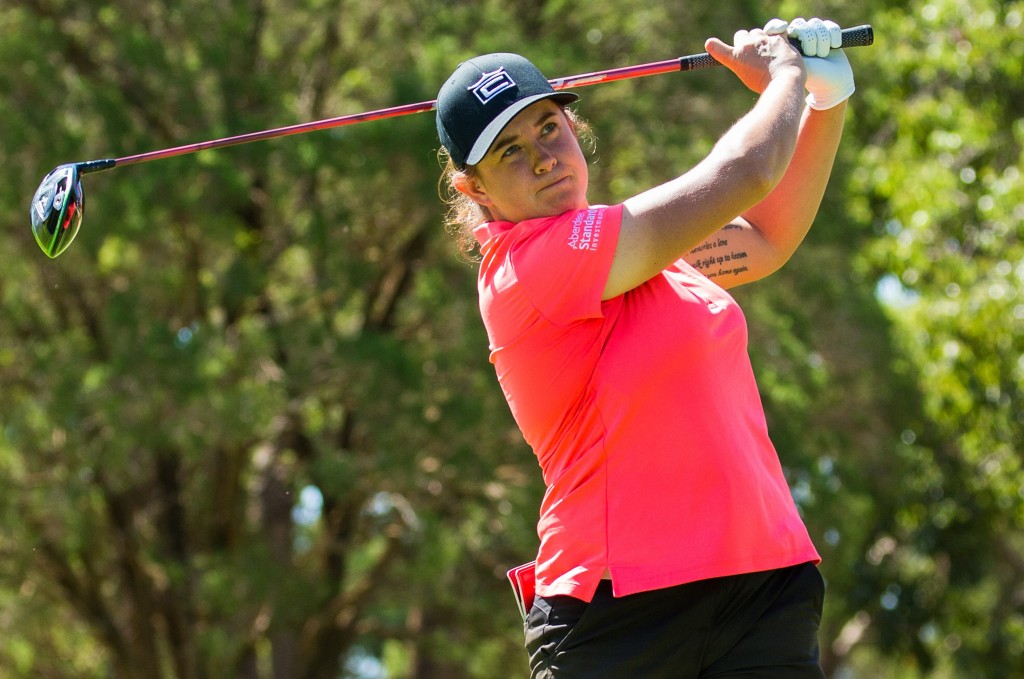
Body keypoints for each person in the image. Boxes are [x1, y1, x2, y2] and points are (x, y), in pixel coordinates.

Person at [434, 17, 854, 679]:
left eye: (549, 127)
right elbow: (744, 171)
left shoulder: (644, 251)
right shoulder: (526, 268)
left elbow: (767, 237)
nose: (542, 157)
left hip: (762, 586)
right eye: (508, 151)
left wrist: (826, 103)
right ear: (474, 189)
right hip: (621, 612)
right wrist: (785, 76)